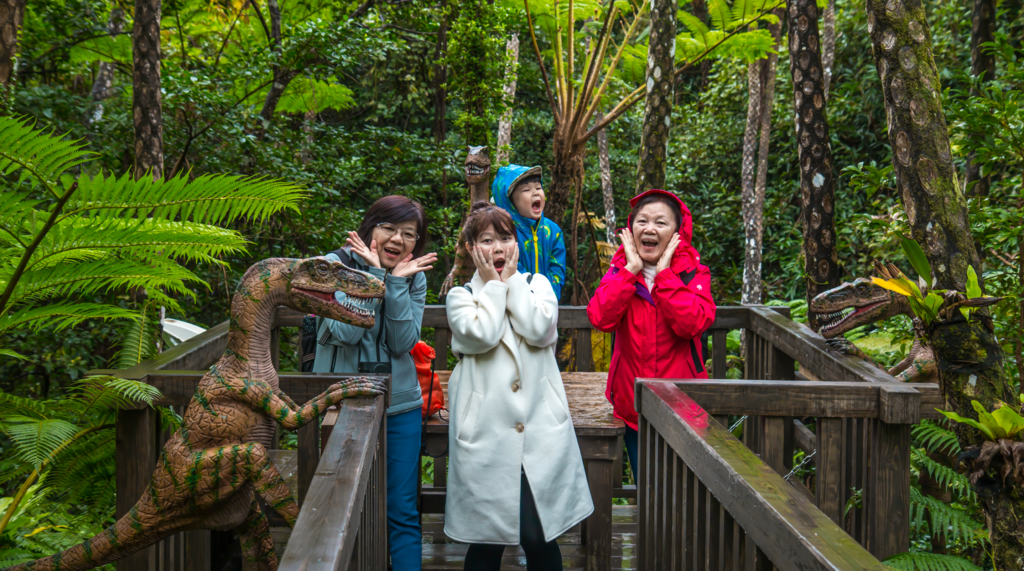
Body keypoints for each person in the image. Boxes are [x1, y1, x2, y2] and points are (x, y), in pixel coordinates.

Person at [444, 202, 593, 571]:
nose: (498, 248)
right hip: (486, 433)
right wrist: (495, 288)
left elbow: (539, 330)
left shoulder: (537, 285)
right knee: (486, 541)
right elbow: (482, 334)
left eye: (506, 238)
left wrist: (510, 284)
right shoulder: (461, 296)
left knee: (538, 535)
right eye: (487, 240)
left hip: (539, 426)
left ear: (518, 243)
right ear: (470, 248)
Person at [311, 195, 437, 571]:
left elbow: (402, 343)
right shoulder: (332, 267)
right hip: (343, 404)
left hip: (400, 405)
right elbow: (344, 333)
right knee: (341, 504)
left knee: (401, 507)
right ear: (370, 229)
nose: (398, 240)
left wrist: (395, 284)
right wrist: (374, 279)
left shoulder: (414, 277)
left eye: (409, 234)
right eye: (389, 228)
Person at [586, 189, 716, 481]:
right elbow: (599, 317)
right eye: (642, 221)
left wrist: (665, 277)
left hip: (683, 403)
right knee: (647, 482)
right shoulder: (620, 271)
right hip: (633, 403)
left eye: (660, 222)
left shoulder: (693, 274)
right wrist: (630, 271)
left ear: (677, 233)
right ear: (631, 229)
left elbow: (693, 322)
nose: (650, 228)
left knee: (683, 484)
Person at [491, 164, 567, 301]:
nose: (536, 193)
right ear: (509, 201)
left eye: (538, 188)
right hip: (512, 305)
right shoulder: (502, 232)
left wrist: (546, 301)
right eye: (526, 190)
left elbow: (557, 272)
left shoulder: (553, 232)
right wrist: (529, 300)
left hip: (545, 308)